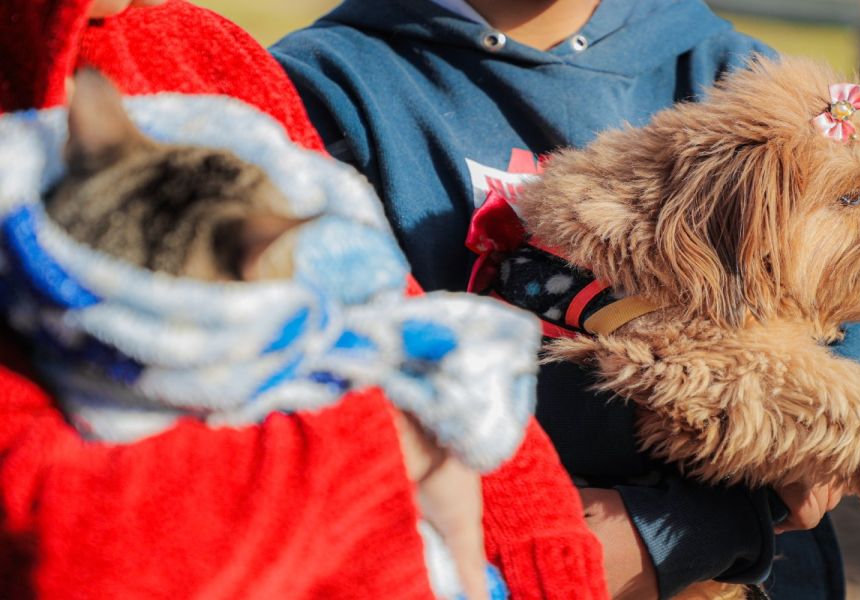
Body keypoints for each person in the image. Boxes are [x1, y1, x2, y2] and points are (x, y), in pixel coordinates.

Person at [272, 0, 860, 597]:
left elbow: (836, 408)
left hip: (750, 573)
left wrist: (668, 537)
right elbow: (314, 409)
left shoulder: (746, 80)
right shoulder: (320, 86)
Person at [0, 1, 606, 598]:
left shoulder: (195, 47)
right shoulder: (331, 69)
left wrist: (552, 571)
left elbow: (379, 296)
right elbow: (77, 544)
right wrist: (391, 438)